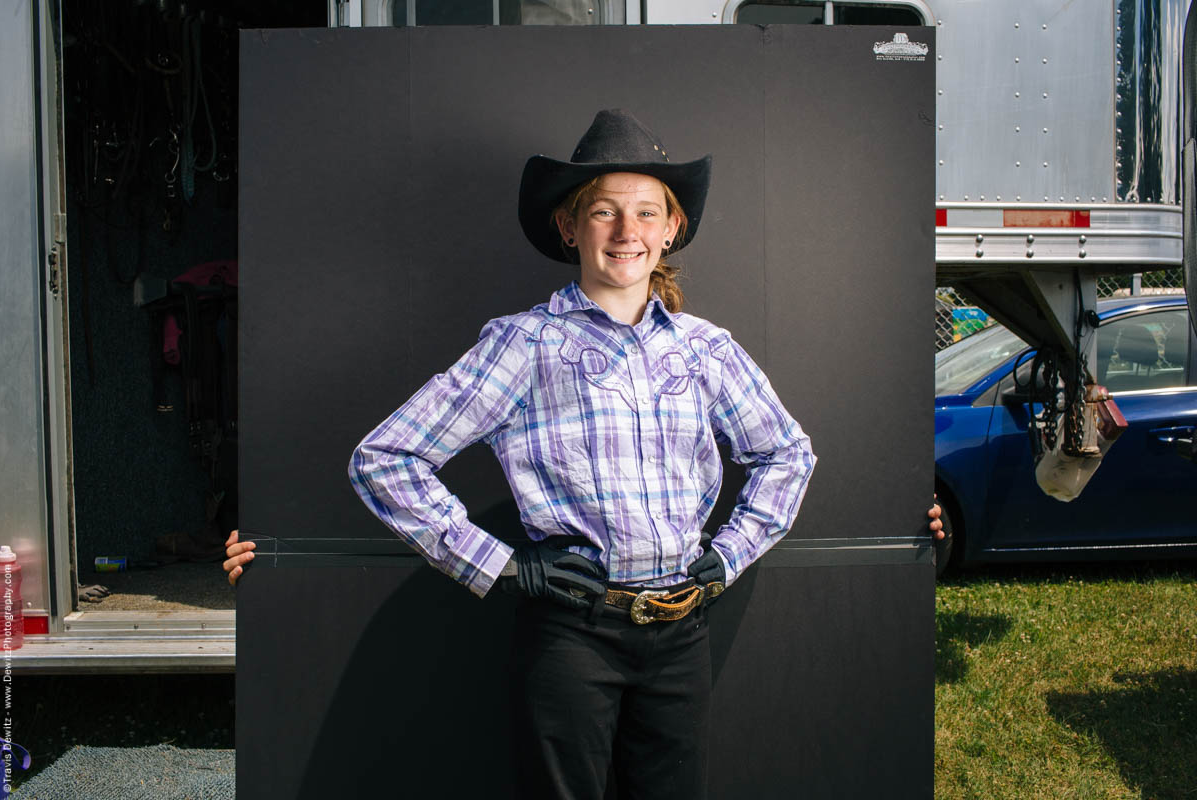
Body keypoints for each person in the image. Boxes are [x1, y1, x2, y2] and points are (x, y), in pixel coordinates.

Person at [223, 109, 945, 799]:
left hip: (680, 630)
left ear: (671, 231)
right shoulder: (523, 345)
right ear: (569, 226)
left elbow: (787, 454)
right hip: (573, 637)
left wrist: (729, 555)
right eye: (603, 210)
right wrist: (502, 565)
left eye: (646, 212)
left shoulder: (706, 350)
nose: (626, 230)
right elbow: (385, 460)